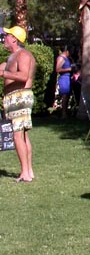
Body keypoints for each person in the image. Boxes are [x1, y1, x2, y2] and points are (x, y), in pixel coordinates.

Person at [1, 25, 37, 183]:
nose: (4, 38)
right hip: (15, 97)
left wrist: (3, 73)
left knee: (17, 134)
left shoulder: (23, 54)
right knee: (22, 134)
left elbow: (23, 76)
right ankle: (28, 171)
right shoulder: (12, 56)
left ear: (14, 39)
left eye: (7, 35)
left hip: (20, 96)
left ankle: (25, 173)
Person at [55, 46, 73, 118]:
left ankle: (66, 112)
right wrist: (68, 69)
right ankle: (63, 113)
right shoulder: (61, 58)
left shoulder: (67, 58)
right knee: (64, 96)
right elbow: (57, 69)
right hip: (64, 78)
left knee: (68, 96)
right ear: (67, 51)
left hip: (68, 78)